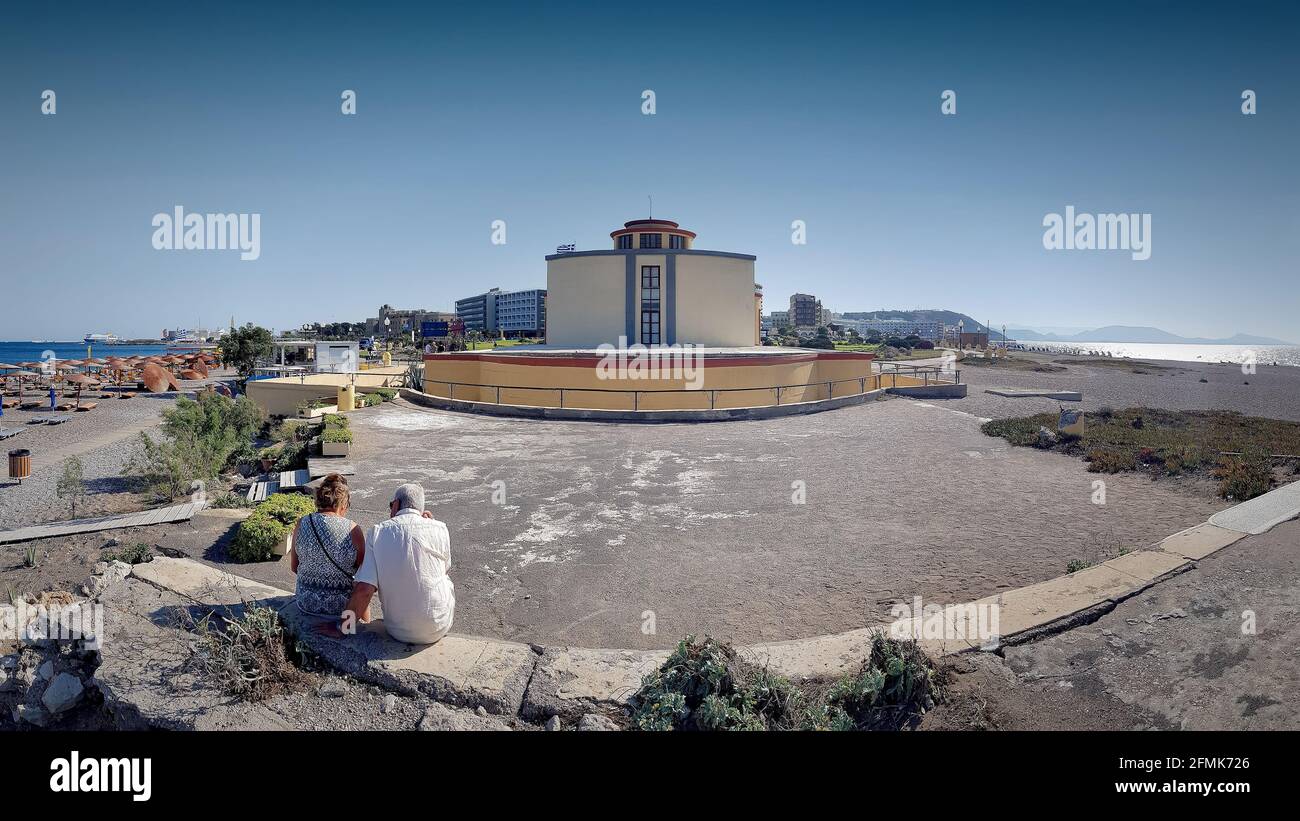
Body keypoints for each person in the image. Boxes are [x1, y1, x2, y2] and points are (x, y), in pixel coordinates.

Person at [332, 483, 455, 644]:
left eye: (391, 505)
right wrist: (433, 524)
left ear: (396, 504)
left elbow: (364, 590)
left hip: (398, 631)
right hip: (439, 627)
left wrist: (343, 628)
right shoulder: (441, 528)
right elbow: (442, 570)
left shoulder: (378, 532)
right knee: (443, 577)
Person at [291, 474, 367, 621]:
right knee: (363, 592)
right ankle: (360, 631)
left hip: (306, 603)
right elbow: (363, 574)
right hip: (342, 608)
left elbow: (295, 567)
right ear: (343, 503)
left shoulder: (302, 523)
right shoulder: (352, 529)